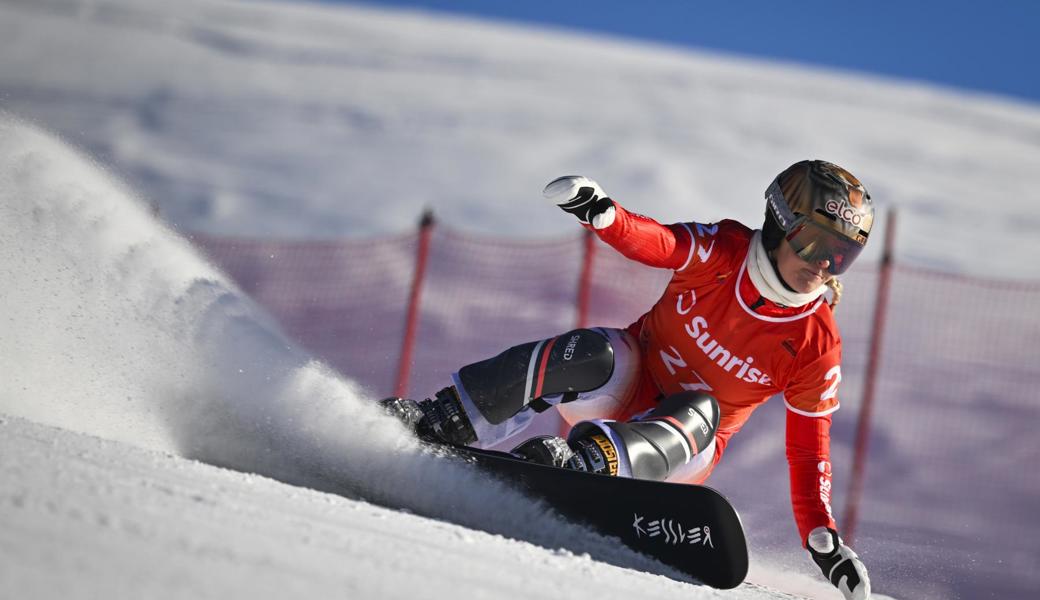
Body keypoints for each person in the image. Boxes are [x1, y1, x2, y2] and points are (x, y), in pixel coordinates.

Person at [384, 160, 873, 600]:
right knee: (594, 349)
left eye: (841, 255)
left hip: (682, 447)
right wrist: (604, 214)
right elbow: (662, 243)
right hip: (620, 389)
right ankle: (446, 419)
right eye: (814, 243)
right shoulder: (726, 252)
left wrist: (824, 541)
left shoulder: (816, 344)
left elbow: (809, 451)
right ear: (779, 224)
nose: (823, 266)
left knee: (702, 406)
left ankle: (586, 470)